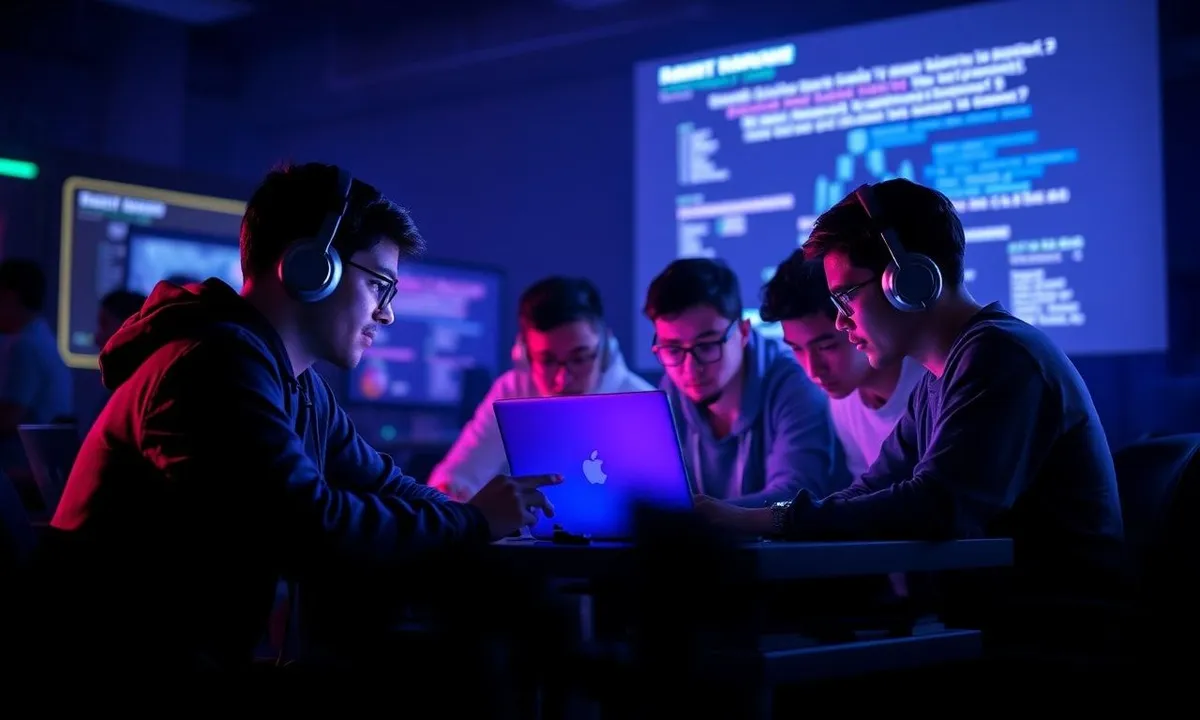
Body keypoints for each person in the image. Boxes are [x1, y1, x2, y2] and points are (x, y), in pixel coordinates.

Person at [33, 163, 560, 670]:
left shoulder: (295, 380)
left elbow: (383, 483)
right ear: (312, 267)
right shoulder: (213, 364)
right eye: (379, 284)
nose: (387, 312)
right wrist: (469, 521)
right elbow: (310, 527)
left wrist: (487, 517)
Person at [696, 179, 1126, 652]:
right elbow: (870, 490)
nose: (840, 321)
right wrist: (737, 517)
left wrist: (758, 522)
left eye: (846, 297)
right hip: (995, 627)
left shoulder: (1001, 356)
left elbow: (937, 506)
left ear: (908, 281)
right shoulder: (940, 379)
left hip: (1055, 641)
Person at [429, 276, 653, 500]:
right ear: (524, 356)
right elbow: (459, 477)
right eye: (547, 361)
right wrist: (448, 499)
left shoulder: (645, 404)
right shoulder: (512, 390)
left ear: (604, 349)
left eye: (580, 358)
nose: (562, 379)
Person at [643, 258, 840, 507]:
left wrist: (702, 516)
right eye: (672, 349)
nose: (690, 368)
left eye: (706, 345)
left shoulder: (793, 384)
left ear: (744, 332)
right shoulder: (669, 392)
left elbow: (795, 495)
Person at [759, 250, 926, 480]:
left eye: (827, 347)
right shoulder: (843, 400)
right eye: (797, 348)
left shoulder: (930, 383)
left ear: (854, 321)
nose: (813, 370)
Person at [0, 258, 74, 475]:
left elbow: (7, 419)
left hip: (23, 472)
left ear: (9, 296)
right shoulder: (39, 338)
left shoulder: (27, 346)